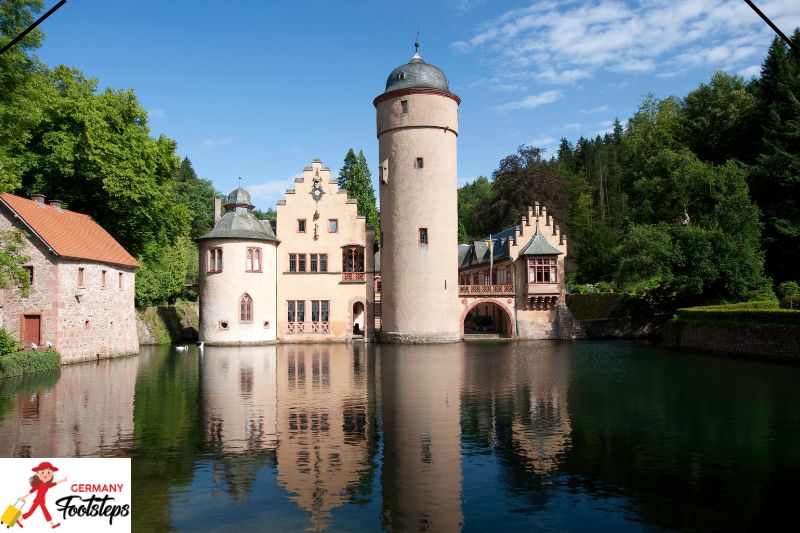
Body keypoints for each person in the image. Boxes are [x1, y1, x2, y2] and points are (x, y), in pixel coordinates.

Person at [16, 461, 67, 529]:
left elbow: (55, 483)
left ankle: (52, 524)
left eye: (49, 472)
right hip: (38, 501)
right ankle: (52, 524)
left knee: (37, 512)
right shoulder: (38, 485)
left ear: (52, 474)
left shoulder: (47, 485)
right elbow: (31, 491)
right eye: (42, 472)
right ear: (37, 474)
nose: (45, 475)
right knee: (33, 512)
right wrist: (24, 497)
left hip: (41, 501)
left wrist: (63, 480)